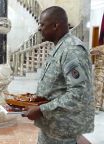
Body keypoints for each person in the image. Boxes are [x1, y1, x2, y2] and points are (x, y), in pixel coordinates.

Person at [22, 6, 94, 144]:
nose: (39, 28)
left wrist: (42, 109)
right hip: (52, 126)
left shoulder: (72, 50)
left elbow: (79, 94)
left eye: (42, 24)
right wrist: (41, 98)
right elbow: (59, 85)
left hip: (62, 130)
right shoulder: (60, 47)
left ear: (55, 26)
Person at [91, 44, 104, 111]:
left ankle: (101, 105)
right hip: (100, 70)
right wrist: (96, 51)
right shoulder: (100, 48)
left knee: (102, 89)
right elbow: (91, 51)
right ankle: (96, 106)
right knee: (98, 86)